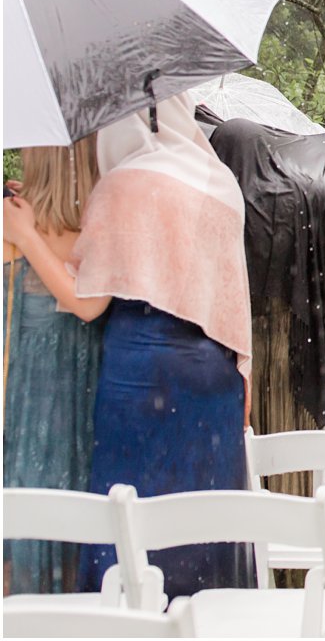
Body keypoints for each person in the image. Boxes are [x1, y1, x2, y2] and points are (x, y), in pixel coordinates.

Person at [2, 94, 252, 599]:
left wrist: (27, 234)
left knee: (129, 516)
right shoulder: (219, 182)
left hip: (141, 370)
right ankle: (207, 615)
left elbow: (90, 298)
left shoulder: (126, 184)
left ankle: (127, 615)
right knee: (206, 515)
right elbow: (230, 300)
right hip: (215, 373)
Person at [2, 138, 104, 594]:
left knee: (29, 496)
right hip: (73, 389)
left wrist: (25, 236)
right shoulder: (93, 224)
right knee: (66, 499)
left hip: (31, 391)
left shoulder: (19, 226)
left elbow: (86, 304)